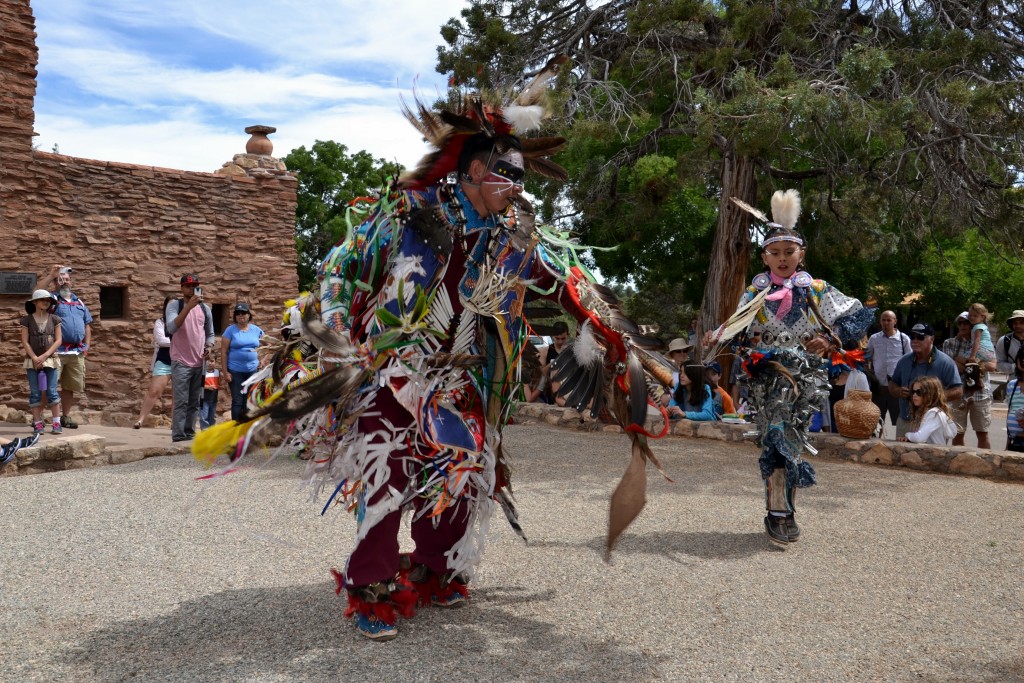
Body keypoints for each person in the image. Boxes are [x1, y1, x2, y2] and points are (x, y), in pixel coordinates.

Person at [193, 77, 676, 641]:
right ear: (472, 170)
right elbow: (342, 269)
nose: (516, 188)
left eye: (521, 177)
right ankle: (370, 585)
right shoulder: (408, 211)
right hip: (392, 370)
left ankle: (434, 568)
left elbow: (562, 283)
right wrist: (330, 333)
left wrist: (610, 333)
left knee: (460, 471)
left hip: (460, 376)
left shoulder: (511, 239)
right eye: (507, 174)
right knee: (388, 471)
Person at [707, 189, 873, 546]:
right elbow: (738, 331)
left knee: (793, 440)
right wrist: (721, 336)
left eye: (789, 252)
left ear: (801, 254)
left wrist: (829, 341)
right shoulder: (756, 293)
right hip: (768, 379)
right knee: (776, 437)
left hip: (805, 380)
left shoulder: (815, 290)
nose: (782, 259)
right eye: (775, 253)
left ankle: (784, 509)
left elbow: (856, 316)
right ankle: (778, 513)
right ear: (764, 256)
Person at [39, 265, 92, 429]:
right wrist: (50, 275)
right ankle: (38, 416)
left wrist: (87, 346)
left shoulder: (79, 301)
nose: (65, 282)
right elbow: (36, 292)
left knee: (70, 387)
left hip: (76, 352)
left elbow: (87, 325)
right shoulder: (51, 300)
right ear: (56, 283)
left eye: (67, 279)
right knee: (49, 386)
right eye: (61, 279)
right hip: (57, 351)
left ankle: (65, 417)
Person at [889, 323, 963, 439]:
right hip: (906, 420)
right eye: (912, 337)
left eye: (920, 337)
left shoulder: (945, 362)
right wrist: (898, 391)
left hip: (932, 423)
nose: (915, 340)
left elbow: (958, 391)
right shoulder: (904, 361)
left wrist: (932, 396)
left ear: (932, 339)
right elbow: (892, 384)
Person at [165, 274, 214, 443]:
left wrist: (209, 347)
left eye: (195, 286)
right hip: (180, 360)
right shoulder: (174, 305)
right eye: (188, 286)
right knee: (181, 401)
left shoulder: (205, 309)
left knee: (194, 401)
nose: (192, 289)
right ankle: (178, 434)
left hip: (199, 362)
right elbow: (171, 328)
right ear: (182, 288)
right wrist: (188, 307)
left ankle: (189, 432)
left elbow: (210, 334)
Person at [942, 312, 995, 449]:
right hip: (957, 393)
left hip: (981, 393)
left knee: (982, 433)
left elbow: (993, 366)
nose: (962, 325)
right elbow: (952, 367)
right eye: (959, 323)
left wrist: (965, 363)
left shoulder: (983, 341)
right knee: (958, 432)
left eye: (966, 322)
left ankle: (985, 465)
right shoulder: (950, 342)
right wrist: (975, 364)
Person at [19, 290, 63, 434]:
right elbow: (25, 341)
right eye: (42, 299)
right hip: (32, 360)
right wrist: (34, 357)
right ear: (34, 302)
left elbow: (58, 340)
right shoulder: (27, 320)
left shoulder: (55, 319)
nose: (46, 302)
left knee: (52, 391)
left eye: (48, 300)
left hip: (50, 360)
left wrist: (44, 356)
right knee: (35, 393)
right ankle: (38, 423)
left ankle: (56, 422)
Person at [866, 310, 909, 433]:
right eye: (883, 320)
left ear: (895, 321)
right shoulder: (874, 339)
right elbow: (867, 357)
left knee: (901, 421)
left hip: (897, 387)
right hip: (879, 387)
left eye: (889, 320)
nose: (886, 323)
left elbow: (910, 360)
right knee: (876, 421)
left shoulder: (903, 339)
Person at [135, 297, 175, 429]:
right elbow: (161, 340)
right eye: (169, 306)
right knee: (154, 391)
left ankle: (175, 423)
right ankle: (141, 419)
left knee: (178, 395)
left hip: (180, 361)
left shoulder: (183, 322)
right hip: (164, 361)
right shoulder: (160, 322)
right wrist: (179, 344)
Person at [221, 303, 264, 422]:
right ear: (235, 316)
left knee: (249, 400)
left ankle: (245, 427)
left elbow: (268, 345)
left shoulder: (256, 330)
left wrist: (263, 359)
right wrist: (225, 372)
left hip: (252, 371)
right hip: (235, 371)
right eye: (238, 314)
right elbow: (223, 351)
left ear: (248, 315)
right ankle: (235, 429)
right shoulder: (230, 331)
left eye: (243, 313)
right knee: (237, 400)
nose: (241, 316)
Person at [898, 376, 958, 445]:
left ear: (931, 394)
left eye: (919, 392)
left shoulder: (934, 413)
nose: (914, 395)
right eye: (913, 392)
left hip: (935, 454)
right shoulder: (923, 412)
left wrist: (907, 435)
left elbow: (919, 438)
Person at [995, 309, 1024, 377]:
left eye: (1022, 322)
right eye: (1015, 323)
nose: (1018, 325)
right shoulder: (1004, 340)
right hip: (1014, 384)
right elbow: (998, 364)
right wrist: (1016, 366)